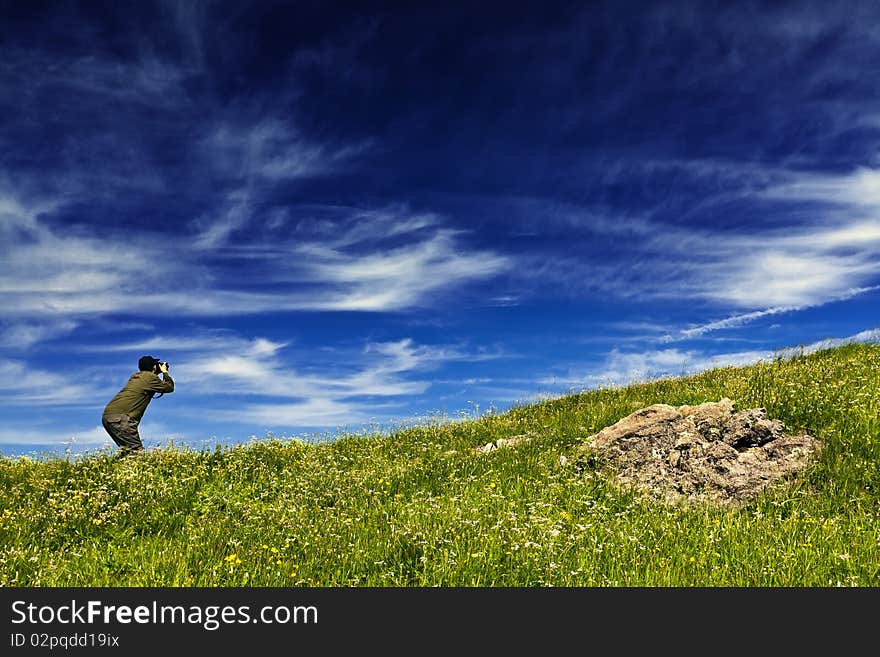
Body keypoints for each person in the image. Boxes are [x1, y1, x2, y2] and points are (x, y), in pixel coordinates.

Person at [102, 355, 174, 457]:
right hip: (121, 418)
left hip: (109, 416)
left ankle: (113, 469)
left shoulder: (136, 376)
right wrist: (165, 372)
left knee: (127, 452)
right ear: (154, 367)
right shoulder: (150, 378)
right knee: (136, 454)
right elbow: (169, 387)